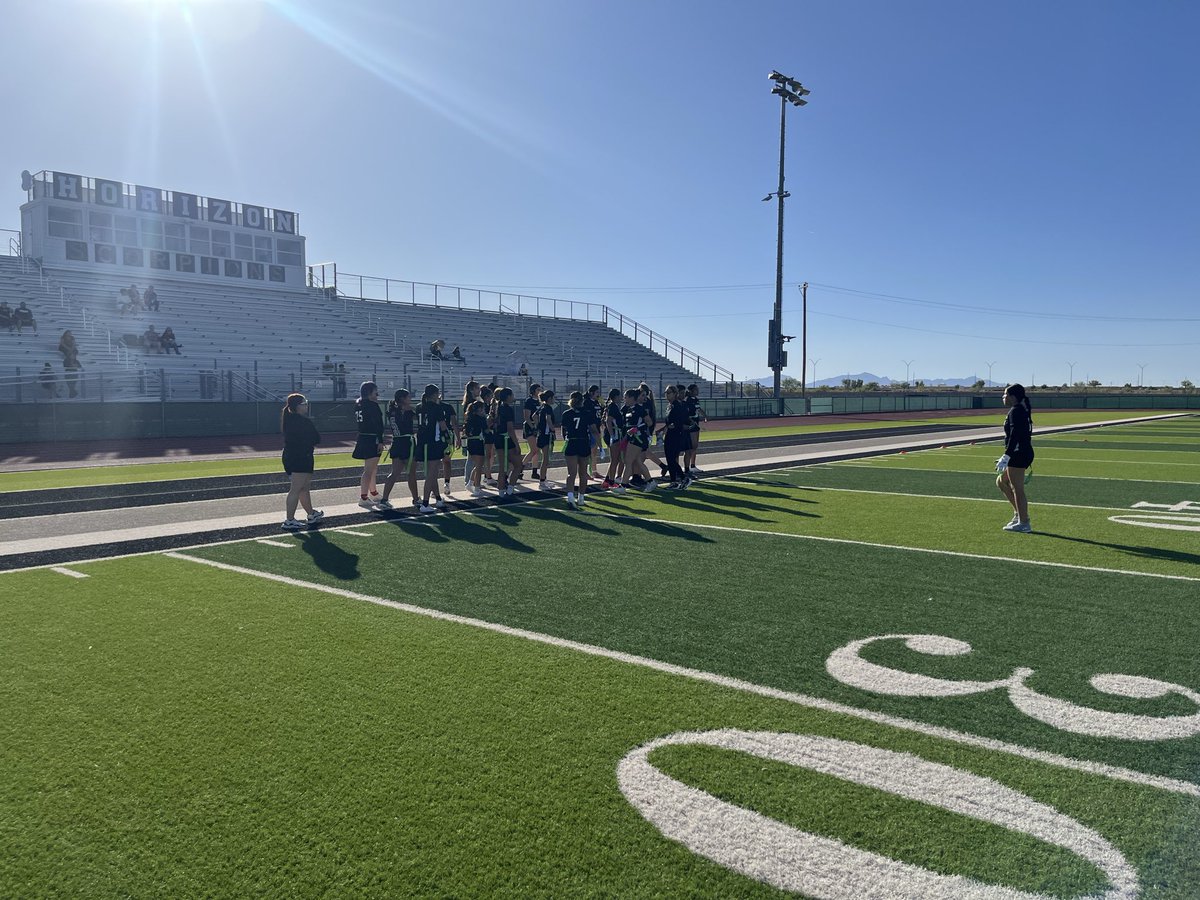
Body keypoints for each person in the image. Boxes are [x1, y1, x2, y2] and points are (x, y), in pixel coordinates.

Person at [280, 393, 324, 530]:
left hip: (292, 456)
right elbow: (316, 438)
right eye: (304, 403)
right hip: (301, 457)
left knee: (303, 488)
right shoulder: (302, 421)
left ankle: (311, 514)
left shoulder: (289, 419)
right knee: (296, 489)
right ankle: (289, 520)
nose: (306, 406)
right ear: (298, 406)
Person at [997, 383, 1035, 533]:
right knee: (1001, 481)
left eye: (1005, 394)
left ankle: (1024, 522)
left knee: (1017, 488)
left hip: (1018, 454)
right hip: (1019, 452)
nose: (1003, 397)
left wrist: (1007, 455)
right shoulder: (1019, 410)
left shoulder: (1016, 411)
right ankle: (1019, 514)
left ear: (1012, 397)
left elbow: (1015, 435)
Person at [378, 389, 419, 510]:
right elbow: (419, 415)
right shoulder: (408, 410)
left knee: (394, 473)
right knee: (411, 473)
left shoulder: (391, 411)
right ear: (402, 399)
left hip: (396, 442)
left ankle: (384, 499)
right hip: (407, 443)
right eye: (408, 397)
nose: (410, 399)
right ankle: (416, 499)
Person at [415, 384, 449, 512]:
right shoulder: (436, 407)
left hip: (422, 442)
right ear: (434, 394)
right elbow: (443, 426)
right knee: (431, 473)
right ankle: (425, 503)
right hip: (433, 442)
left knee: (432, 472)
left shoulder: (419, 407)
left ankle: (438, 499)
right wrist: (448, 438)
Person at [352, 381, 387, 508]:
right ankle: (364, 496)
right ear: (369, 392)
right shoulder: (372, 405)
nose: (377, 395)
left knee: (372, 468)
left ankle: (373, 492)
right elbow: (378, 425)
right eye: (375, 392)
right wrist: (380, 440)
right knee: (368, 470)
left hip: (363, 437)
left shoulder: (358, 404)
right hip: (371, 438)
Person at [561, 391, 595, 508]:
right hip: (583, 442)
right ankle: (581, 497)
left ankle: (570, 498)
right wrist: (599, 444)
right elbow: (593, 429)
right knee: (583, 473)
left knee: (571, 474)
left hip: (571, 441)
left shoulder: (566, 413)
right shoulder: (587, 413)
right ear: (582, 401)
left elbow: (563, 430)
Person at [620, 388, 655, 492]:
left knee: (628, 461)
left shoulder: (640, 409)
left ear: (631, 398)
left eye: (626, 397)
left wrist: (637, 429)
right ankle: (650, 481)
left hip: (638, 438)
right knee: (637, 461)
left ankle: (623, 486)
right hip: (632, 438)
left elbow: (649, 422)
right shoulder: (629, 409)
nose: (624, 399)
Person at [662, 385, 694, 489]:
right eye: (666, 392)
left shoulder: (677, 405)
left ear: (675, 394)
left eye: (669, 392)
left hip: (676, 434)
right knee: (670, 459)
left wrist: (674, 425)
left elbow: (681, 420)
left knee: (671, 458)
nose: (667, 395)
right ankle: (674, 481)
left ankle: (683, 478)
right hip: (670, 434)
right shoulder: (669, 405)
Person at [493, 387, 522, 497]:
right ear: (508, 396)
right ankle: (510, 489)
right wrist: (516, 444)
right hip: (506, 440)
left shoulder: (496, 407)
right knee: (518, 465)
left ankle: (501, 492)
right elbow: (510, 428)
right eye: (512, 395)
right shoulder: (507, 409)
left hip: (498, 438)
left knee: (502, 467)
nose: (513, 397)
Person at [601, 388, 627, 493]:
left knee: (617, 459)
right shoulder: (612, 407)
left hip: (615, 434)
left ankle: (608, 479)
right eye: (620, 395)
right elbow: (608, 421)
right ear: (616, 396)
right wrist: (612, 435)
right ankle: (611, 481)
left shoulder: (613, 406)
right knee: (615, 460)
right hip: (614, 435)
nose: (621, 397)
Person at [463, 399, 489, 496]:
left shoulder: (469, 418)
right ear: (478, 410)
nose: (484, 411)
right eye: (482, 409)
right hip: (478, 442)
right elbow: (486, 430)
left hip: (471, 442)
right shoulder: (481, 419)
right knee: (479, 467)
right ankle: (477, 487)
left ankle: (470, 482)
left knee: (478, 465)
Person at [533, 389, 557, 490]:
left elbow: (534, 416)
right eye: (553, 398)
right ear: (549, 398)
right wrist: (552, 430)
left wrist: (538, 426)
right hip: (546, 435)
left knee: (544, 459)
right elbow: (548, 419)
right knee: (545, 460)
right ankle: (542, 481)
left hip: (541, 434)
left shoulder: (542, 407)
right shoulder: (548, 408)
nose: (554, 399)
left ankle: (543, 480)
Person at [460, 381, 481, 487]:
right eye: (477, 388)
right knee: (472, 458)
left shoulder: (472, 401)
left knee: (471, 458)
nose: (479, 390)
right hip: (473, 433)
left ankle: (470, 480)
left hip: (471, 432)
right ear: (472, 389)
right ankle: (469, 480)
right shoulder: (471, 403)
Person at [440, 389, 460, 495]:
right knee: (441, 462)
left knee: (444, 461)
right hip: (438, 437)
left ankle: (446, 483)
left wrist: (458, 438)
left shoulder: (447, 407)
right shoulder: (428, 407)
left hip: (443, 436)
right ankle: (443, 484)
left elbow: (454, 423)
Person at [685, 383, 707, 477]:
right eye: (696, 389)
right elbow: (687, 414)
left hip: (696, 424)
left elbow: (699, 409)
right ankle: (688, 466)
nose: (698, 391)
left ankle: (693, 465)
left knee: (695, 446)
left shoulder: (696, 400)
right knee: (691, 446)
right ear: (691, 391)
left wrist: (705, 415)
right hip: (691, 425)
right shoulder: (688, 401)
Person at [521, 383, 541, 478]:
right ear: (533, 391)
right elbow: (526, 416)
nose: (539, 391)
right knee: (534, 450)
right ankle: (520, 468)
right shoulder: (529, 401)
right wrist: (533, 427)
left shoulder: (539, 401)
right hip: (530, 426)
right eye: (537, 390)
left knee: (536, 451)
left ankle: (534, 471)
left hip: (537, 426)